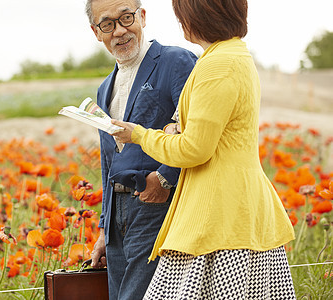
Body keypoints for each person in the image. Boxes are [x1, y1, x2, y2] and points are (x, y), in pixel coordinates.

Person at [111, 0, 296, 298]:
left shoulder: (217, 64)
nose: (180, 21)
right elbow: (210, 132)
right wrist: (175, 128)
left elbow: (195, 149)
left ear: (199, 15)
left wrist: (141, 136)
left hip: (218, 215)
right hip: (234, 209)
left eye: (181, 13)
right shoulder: (233, 56)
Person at [85, 0, 197, 299]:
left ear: (142, 16)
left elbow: (194, 129)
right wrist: (104, 229)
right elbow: (109, 160)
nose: (120, 31)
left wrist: (165, 179)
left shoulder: (176, 61)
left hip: (156, 203)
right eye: (108, 24)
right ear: (97, 32)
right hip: (117, 212)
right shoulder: (105, 87)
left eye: (126, 18)